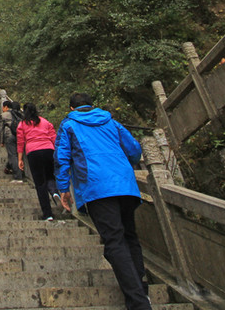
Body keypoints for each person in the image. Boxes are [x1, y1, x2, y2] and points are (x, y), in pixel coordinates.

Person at [55, 92, 151, 310]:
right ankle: (141, 287)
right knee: (129, 236)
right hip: (126, 186)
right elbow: (134, 149)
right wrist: (125, 165)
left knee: (114, 242)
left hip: (97, 187)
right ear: (93, 105)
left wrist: (63, 189)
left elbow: (62, 158)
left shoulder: (69, 126)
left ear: (71, 109)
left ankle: (138, 302)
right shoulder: (111, 121)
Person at [16, 103, 60, 220]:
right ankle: (54, 191)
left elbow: (20, 142)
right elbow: (53, 136)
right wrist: (57, 152)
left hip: (33, 152)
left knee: (40, 184)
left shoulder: (22, 124)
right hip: (48, 150)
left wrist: (20, 159)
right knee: (50, 175)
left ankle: (48, 213)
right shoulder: (44, 121)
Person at [0, 100, 24, 182]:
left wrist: (2, 141)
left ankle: (18, 177)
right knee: (18, 154)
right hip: (20, 136)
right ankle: (17, 170)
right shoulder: (20, 115)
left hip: (9, 136)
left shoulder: (4, 115)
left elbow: (1, 129)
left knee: (12, 155)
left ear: (6, 107)